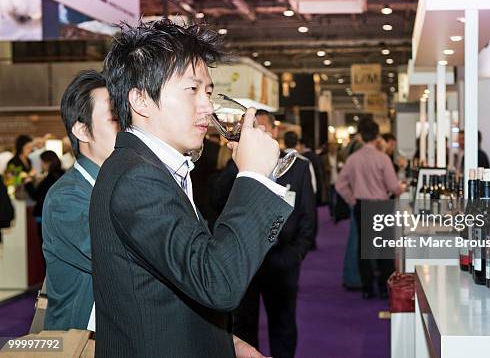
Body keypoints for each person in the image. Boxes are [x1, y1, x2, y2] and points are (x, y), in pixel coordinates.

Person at [90, 19, 293, 358]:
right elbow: (217, 281)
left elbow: (179, 281)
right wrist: (254, 176)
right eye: (192, 90)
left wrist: (228, 344)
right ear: (141, 100)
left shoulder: (153, 168)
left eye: (209, 92)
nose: (207, 106)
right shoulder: (137, 178)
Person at [228, 113, 316, 358]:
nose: (261, 134)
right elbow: (217, 199)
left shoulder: (297, 166)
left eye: (265, 129)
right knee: (244, 327)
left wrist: (297, 253)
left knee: (284, 326)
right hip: (246, 261)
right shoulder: (237, 162)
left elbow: (308, 215)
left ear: (274, 132)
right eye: (255, 129)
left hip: (283, 258)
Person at [41, 70, 118, 330]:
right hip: (84, 344)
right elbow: (122, 263)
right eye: (115, 119)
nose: (127, 129)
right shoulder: (66, 199)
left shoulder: (118, 186)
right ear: (82, 130)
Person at [335, 117, 404, 298]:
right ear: (377, 136)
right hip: (381, 205)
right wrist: (400, 188)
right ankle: (384, 288)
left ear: (361, 137)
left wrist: (352, 200)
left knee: (363, 248)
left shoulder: (353, 159)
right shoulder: (383, 158)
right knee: (384, 249)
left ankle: (367, 288)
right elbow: (393, 187)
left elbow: (340, 184)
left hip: (361, 205)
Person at [24, 150, 64, 239]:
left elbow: (36, 196)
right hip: (59, 215)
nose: (41, 165)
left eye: (42, 162)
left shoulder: (49, 179)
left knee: (45, 244)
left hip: (45, 216)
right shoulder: (63, 174)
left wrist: (28, 183)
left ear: (47, 163)